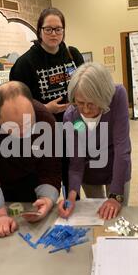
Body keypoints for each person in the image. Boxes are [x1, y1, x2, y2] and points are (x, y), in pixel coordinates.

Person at [0, 81, 61, 238]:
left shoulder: (45, 118)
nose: (22, 132)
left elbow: (50, 168)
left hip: (26, 178)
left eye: (28, 124)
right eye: (13, 127)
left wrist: (47, 200)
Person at [9, 7, 84, 197]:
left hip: (72, 128)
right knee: (46, 179)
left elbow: (85, 85)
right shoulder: (25, 63)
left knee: (73, 176)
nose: (54, 33)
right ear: (39, 31)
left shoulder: (73, 55)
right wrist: (44, 109)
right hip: (42, 132)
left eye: (58, 29)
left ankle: (71, 210)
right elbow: (15, 106)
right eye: (48, 29)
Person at [57, 62, 131, 220]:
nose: (85, 109)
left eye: (91, 103)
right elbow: (76, 163)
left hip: (117, 166)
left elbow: (122, 148)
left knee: (116, 216)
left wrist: (116, 196)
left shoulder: (117, 95)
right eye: (80, 103)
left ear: (103, 96)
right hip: (90, 171)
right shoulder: (70, 116)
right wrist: (71, 196)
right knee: (97, 216)